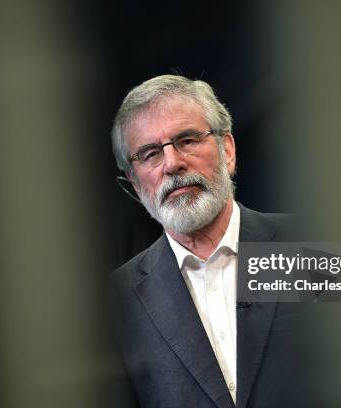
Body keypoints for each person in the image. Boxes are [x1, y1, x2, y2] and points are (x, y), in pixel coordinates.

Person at [108, 75, 300, 408]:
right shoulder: (116, 302)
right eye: (151, 154)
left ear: (227, 150)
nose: (172, 164)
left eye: (187, 140)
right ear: (136, 186)